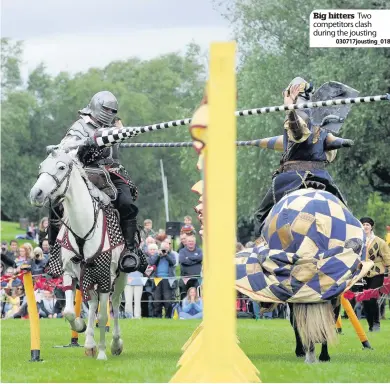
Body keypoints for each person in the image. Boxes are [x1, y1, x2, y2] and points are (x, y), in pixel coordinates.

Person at [47, 91, 147, 273]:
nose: (109, 113)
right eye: (106, 109)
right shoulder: (81, 125)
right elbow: (67, 147)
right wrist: (85, 143)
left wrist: (120, 132)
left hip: (111, 172)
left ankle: (130, 251)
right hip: (84, 172)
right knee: (55, 200)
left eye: (112, 110)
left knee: (126, 202)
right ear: (96, 106)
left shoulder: (115, 127)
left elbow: (118, 141)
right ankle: (55, 251)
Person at [254, 77, 355, 237]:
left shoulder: (299, 116)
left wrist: (289, 108)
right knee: (345, 212)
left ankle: (262, 243)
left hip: (290, 178)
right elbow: (329, 153)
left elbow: (298, 133)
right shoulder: (320, 121)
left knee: (260, 215)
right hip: (321, 176)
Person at [360, 217, 390, 332]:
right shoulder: (358, 241)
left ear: (371, 226)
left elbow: (387, 257)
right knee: (365, 300)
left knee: (372, 298)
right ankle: (370, 325)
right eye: (363, 224)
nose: (365, 226)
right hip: (362, 273)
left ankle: (376, 324)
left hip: (377, 272)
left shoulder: (380, 241)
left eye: (367, 224)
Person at [149, 241, 176, 318]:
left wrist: (166, 255)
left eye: (166, 248)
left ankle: (168, 316)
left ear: (169, 248)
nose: (164, 250)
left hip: (167, 279)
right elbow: (152, 263)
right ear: (160, 248)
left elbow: (173, 262)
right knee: (157, 299)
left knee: (167, 299)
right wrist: (158, 255)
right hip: (157, 279)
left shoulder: (172, 254)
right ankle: (158, 317)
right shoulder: (156, 254)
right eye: (163, 248)